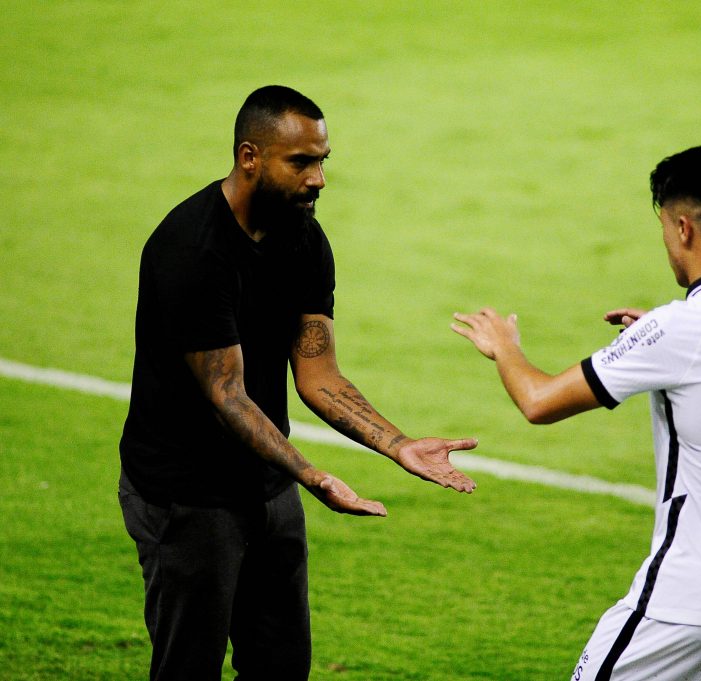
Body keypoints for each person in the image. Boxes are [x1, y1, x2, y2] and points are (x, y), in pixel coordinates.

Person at [119, 85, 478, 681]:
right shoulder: (191, 249)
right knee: (189, 669)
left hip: (267, 487)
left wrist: (397, 444)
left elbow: (319, 373)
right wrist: (311, 475)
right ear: (249, 157)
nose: (319, 179)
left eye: (323, 160)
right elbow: (226, 394)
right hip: (187, 496)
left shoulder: (303, 239)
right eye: (302, 162)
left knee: (282, 665)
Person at [452, 143, 701, 681]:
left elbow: (538, 402)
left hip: (689, 603)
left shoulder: (679, 329)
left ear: (682, 229)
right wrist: (660, 341)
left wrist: (504, 345)